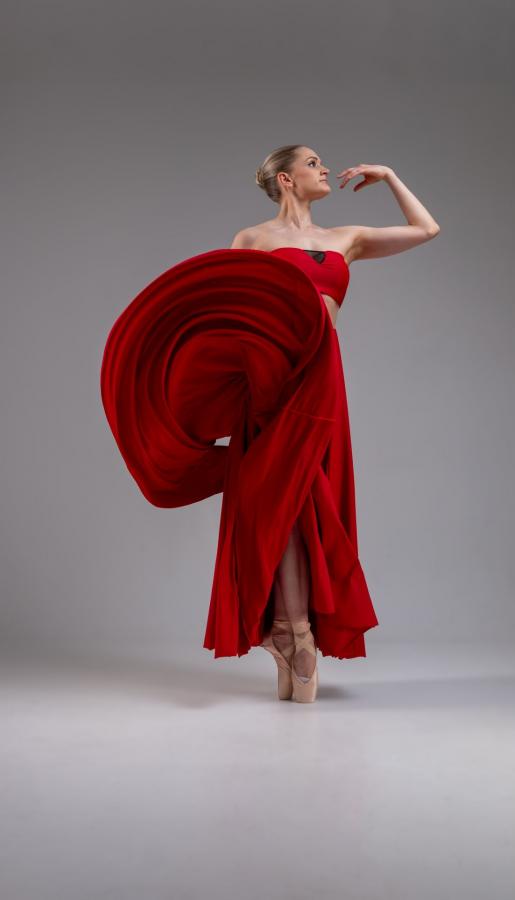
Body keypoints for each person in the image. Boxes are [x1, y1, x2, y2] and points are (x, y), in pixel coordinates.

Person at [99, 144, 440, 704]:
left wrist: (391, 176)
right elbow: (223, 311)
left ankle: (291, 633)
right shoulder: (253, 240)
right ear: (286, 178)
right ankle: (294, 634)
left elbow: (426, 229)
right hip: (272, 384)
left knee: (305, 498)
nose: (325, 169)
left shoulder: (346, 238)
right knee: (282, 502)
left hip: (321, 376)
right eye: (313, 163)